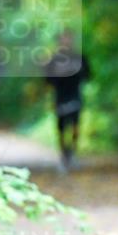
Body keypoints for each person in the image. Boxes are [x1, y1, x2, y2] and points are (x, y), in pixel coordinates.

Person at [44, 29, 90, 172]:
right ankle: (64, 156)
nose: (66, 41)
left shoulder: (79, 57)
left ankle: (73, 154)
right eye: (63, 39)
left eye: (68, 38)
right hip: (60, 98)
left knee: (76, 126)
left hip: (75, 96)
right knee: (62, 129)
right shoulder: (53, 60)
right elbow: (47, 80)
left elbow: (88, 75)